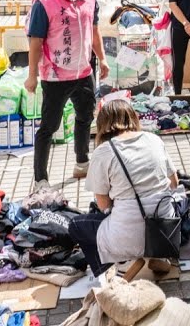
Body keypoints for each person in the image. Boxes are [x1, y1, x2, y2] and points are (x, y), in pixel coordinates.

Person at [25, 0, 108, 189]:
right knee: (49, 127)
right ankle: (41, 178)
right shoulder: (45, 3)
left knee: (85, 116)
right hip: (55, 75)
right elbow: (35, 41)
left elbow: (94, 32)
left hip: (83, 71)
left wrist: (102, 59)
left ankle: (82, 162)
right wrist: (32, 75)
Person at [69, 101, 178, 277]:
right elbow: (174, 183)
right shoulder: (153, 139)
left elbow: (104, 204)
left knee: (76, 225)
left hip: (128, 235)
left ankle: (118, 267)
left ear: (103, 124)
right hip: (165, 229)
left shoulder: (104, 151)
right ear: (133, 117)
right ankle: (159, 254)